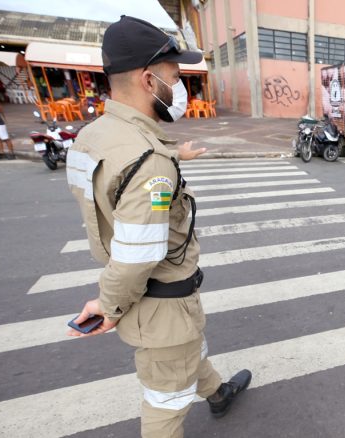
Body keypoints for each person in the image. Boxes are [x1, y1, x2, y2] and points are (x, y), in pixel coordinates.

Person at [65, 16, 251, 437]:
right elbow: (137, 256)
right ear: (150, 81)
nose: (179, 85)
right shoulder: (149, 164)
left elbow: (117, 188)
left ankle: (218, 393)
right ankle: (208, 396)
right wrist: (107, 306)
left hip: (154, 305)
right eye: (175, 76)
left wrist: (171, 157)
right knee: (165, 404)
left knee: (188, 352)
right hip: (161, 305)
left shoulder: (95, 136)